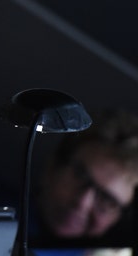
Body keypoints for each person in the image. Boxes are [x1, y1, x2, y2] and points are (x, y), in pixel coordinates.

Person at [29, 108, 138, 254]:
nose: (82, 203)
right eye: (80, 175)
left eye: (107, 199)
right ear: (53, 166)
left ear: (121, 218)